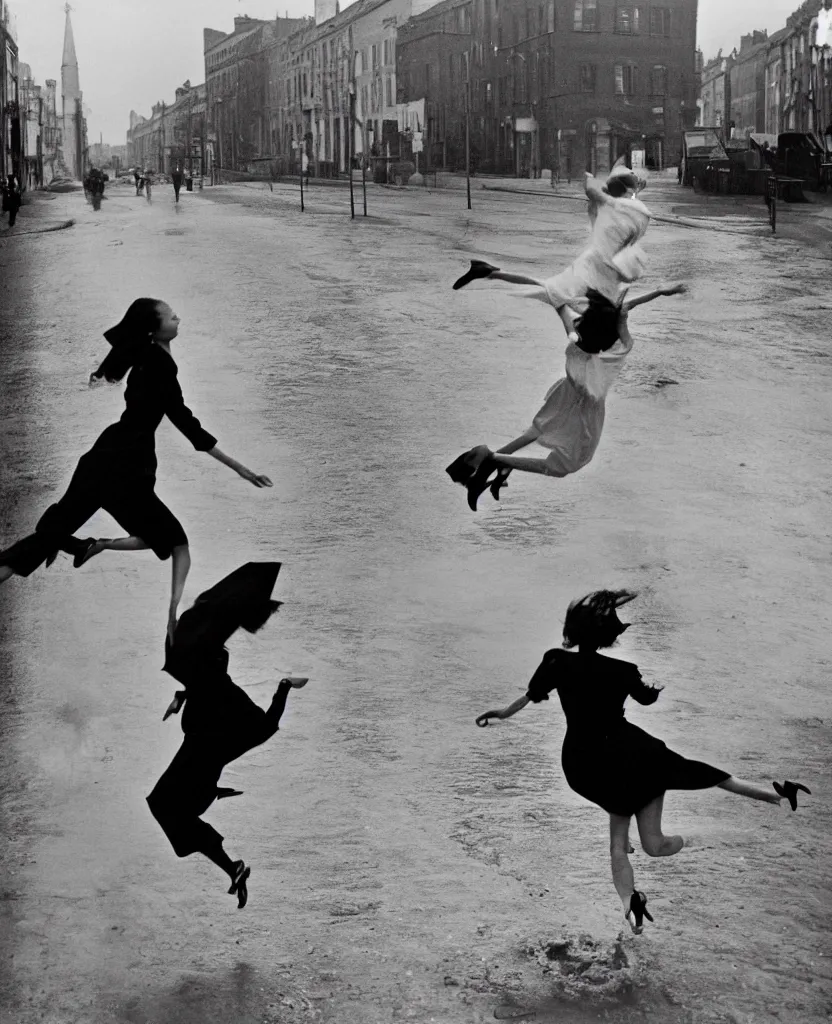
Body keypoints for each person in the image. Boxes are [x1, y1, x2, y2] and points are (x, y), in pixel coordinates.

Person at [474, 590, 810, 935]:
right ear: (610, 636)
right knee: (692, 778)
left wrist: (501, 714)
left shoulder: (557, 661)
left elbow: (529, 698)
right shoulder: (623, 670)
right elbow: (646, 699)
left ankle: (629, 903)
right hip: (632, 753)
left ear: (574, 632)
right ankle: (779, 794)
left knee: (620, 844)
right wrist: (645, 686)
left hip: (583, 761)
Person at [0, 299, 272, 640]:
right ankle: (162, 607)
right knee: (174, 542)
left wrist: (102, 373)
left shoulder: (146, 355)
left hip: (105, 456)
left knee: (47, 538)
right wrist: (241, 469)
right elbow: (185, 422)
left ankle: (86, 546)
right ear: (155, 328)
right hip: (127, 464)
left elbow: (128, 369)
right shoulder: (159, 365)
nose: (178, 317)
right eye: (172, 315)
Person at [147, 562, 309, 909]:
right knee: (167, 806)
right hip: (203, 750)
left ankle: (229, 856)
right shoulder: (207, 661)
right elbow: (199, 682)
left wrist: (283, 688)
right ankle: (229, 858)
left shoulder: (210, 664)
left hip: (202, 750)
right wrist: (181, 697)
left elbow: (207, 684)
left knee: (164, 804)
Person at [445, 282, 687, 510]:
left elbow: (620, 309)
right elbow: (624, 309)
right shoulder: (615, 340)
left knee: (538, 430)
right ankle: (495, 460)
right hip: (587, 397)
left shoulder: (586, 331)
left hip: (571, 387)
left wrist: (658, 292)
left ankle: (490, 467)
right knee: (567, 463)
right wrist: (657, 293)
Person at [454, 160, 651, 343]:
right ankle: (490, 273)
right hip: (595, 267)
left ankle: (489, 272)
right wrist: (593, 183)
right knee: (552, 292)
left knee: (550, 290)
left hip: (598, 266)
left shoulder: (614, 208)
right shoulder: (615, 208)